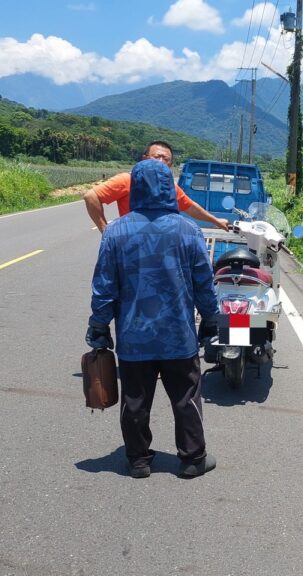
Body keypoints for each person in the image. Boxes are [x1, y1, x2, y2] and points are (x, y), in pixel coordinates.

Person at [86, 158, 220, 480]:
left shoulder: (116, 231)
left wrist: (99, 326)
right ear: (168, 187)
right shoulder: (188, 230)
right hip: (178, 335)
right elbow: (204, 282)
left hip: (134, 338)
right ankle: (192, 459)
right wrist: (212, 319)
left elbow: (104, 286)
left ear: (135, 187)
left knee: (135, 400)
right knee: (186, 398)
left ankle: (138, 460)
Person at [83, 140, 229, 233]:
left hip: (159, 242)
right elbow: (91, 196)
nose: (160, 161)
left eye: (166, 159)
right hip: (130, 240)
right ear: (144, 158)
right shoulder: (127, 180)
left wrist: (216, 221)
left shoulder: (170, 187)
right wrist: (104, 230)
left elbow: (190, 207)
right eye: (156, 156)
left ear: (170, 165)